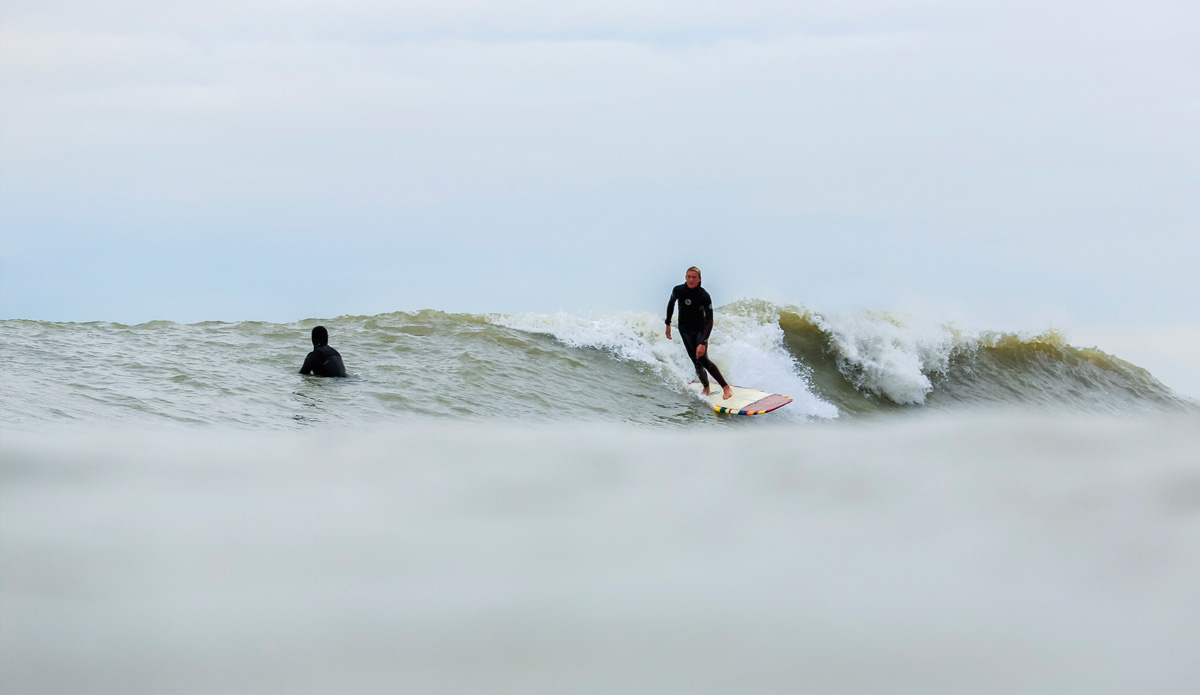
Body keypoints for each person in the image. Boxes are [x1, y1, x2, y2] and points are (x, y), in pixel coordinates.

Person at [666, 266, 732, 400]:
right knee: (695, 361)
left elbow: (709, 319)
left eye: (693, 277)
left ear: (699, 279)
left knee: (702, 358)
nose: (690, 280)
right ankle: (706, 386)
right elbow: (671, 304)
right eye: (688, 277)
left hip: (700, 329)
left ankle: (726, 387)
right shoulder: (678, 290)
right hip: (684, 329)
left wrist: (703, 342)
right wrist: (667, 324)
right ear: (685, 277)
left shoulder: (704, 295)